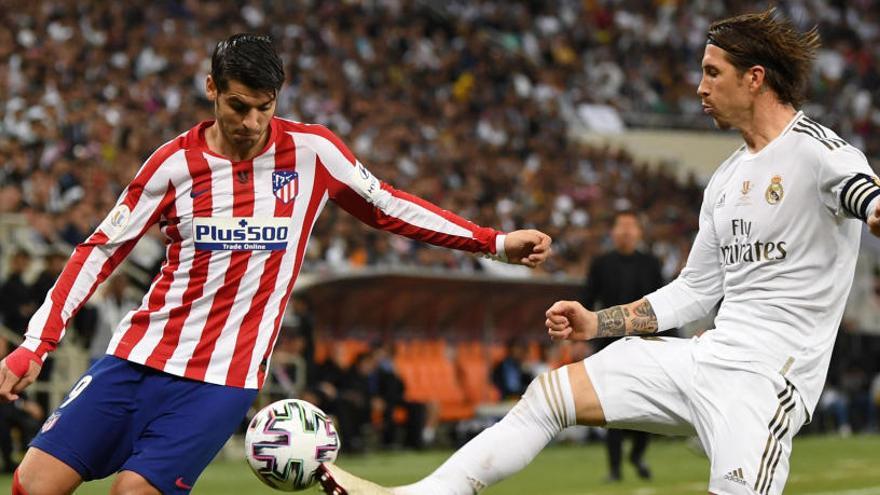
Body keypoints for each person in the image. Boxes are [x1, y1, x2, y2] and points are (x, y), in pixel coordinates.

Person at [317, 9, 880, 495]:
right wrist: (597, 323)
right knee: (552, 395)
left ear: (755, 79)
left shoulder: (821, 153)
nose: (700, 88)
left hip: (767, 385)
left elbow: (863, 194)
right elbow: (694, 291)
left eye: (713, 73)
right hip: (705, 361)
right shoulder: (726, 179)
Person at [4, 34, 551, 495]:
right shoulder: (174, 165)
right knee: (33, 482)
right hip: (136, 356)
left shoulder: (313, 153)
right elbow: (100, 249)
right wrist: (37, 343)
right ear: (211, 89)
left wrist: (494, 243)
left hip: (221, 380)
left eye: (265, 107)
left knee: (134, 492)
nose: (253, 121)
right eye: (239, 106)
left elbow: (388, 207)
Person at [581, 210, 664, 482]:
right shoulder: (601, 264)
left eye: (631, 227)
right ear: (613, 232)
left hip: (645, 345)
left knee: (647, 407)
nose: (626, 232)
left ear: (639, 232)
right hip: (608, 346)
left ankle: (637, 454)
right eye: (621, 226)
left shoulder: (651, 264)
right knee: (611, 408)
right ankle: (615, 469)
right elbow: (587, 300)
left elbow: (664, 304)